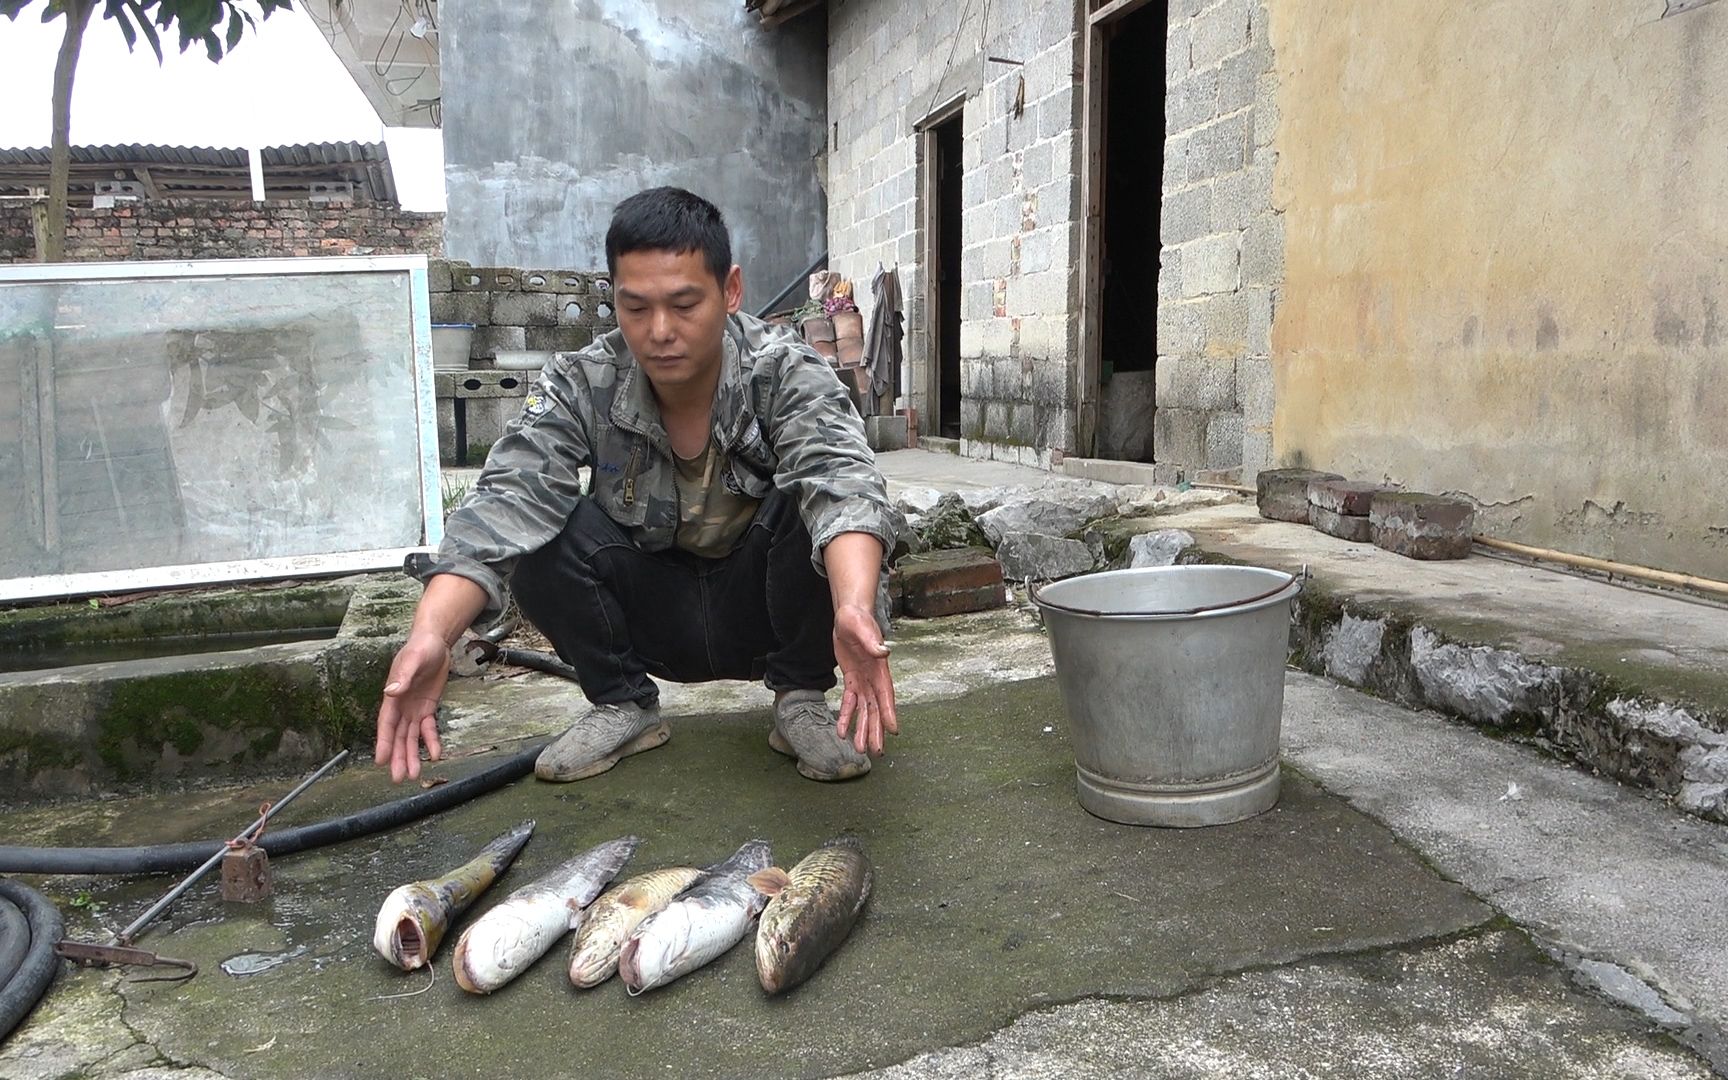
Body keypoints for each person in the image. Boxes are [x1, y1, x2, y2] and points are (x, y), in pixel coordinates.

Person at [373, 187, 902, 787]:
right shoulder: (581, 381)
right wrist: (429, 636)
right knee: (541, 526)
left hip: (762, 604)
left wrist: (855, 608)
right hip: (651, 605)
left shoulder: (782, 368)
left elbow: (843, 480)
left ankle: (800, 699)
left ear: (730, 290)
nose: (659, 332)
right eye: (636, 307)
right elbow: (505, 499)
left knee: (819, 515)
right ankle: (623, 704)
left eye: (683, 305)